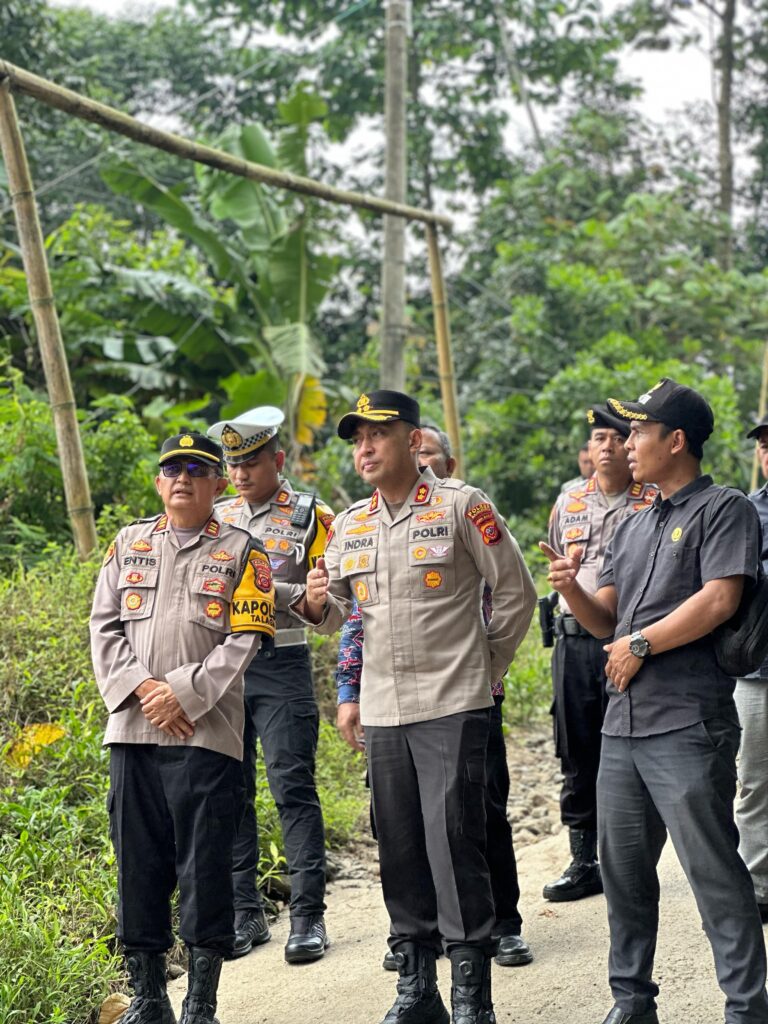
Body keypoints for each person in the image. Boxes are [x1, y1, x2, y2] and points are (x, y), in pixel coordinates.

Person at [299, 390, 537, 1024]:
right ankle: (417, 986)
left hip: (453, 702)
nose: (365, 449)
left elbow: (515, 592)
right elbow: (340, 614)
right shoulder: (350, 523)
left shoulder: (462, 505)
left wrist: (484, 667)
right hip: (384, 710)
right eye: (357, 440)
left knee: (456, 841)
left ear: (411, 440)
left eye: (376, 435)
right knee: (399, 845)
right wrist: (316, 602)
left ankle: (470, 996)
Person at [540, 378, 768, 1024]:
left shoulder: (724, 509)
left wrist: (642, 643)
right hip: (623, 726)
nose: (626, 443)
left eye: (638, 431)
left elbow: (720, 598)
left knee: (715, 873)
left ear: (676, 441)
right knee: (624, 877)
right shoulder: (634, 525)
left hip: (688, 723)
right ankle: (632, 1001)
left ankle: (747, 1009)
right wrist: (571, 589)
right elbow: (604, 620)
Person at [90, 431, 278, 1024]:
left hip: (206, 733)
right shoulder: (129, 543)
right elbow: (103, 627)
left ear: (218, 484)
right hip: (133, 730)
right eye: (173, 469)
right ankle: (149, 997)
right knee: (137, 864)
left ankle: (201, 1003)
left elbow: (245, 638)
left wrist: (185, 694)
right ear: (158, 482)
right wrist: (145, 690)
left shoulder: (245, 551)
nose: (183, 479)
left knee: (205, 867)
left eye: (197, 470)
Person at [207, 408, 334, 963]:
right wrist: (285, 593)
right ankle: (246, 913)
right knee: (230, 791)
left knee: (292, 787)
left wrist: (297, 599)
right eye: (233, 464)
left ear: (278, 459)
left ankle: (308, 917)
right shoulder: (216, 516)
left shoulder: (312, 516)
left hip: (281, 662)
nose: (240, 474)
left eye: (251, 462)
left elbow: (331, 605)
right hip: (225, 667)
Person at [543, 406, 657, 903]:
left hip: (633, 642)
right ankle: (583, 859)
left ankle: (632, 856)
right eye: (597, 438)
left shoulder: (653, 498)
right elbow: (555, 562)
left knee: (636, 744)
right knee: (577, 746)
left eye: (616, 436)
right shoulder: (568, 501)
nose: (606, 446)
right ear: (587, 450)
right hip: (573, 641)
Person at [735, 418, 768, 924]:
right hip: (757, 669)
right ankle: (758, 887)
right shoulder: (746, 511)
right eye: (764, 444)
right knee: (755, 781)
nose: (767, 452)